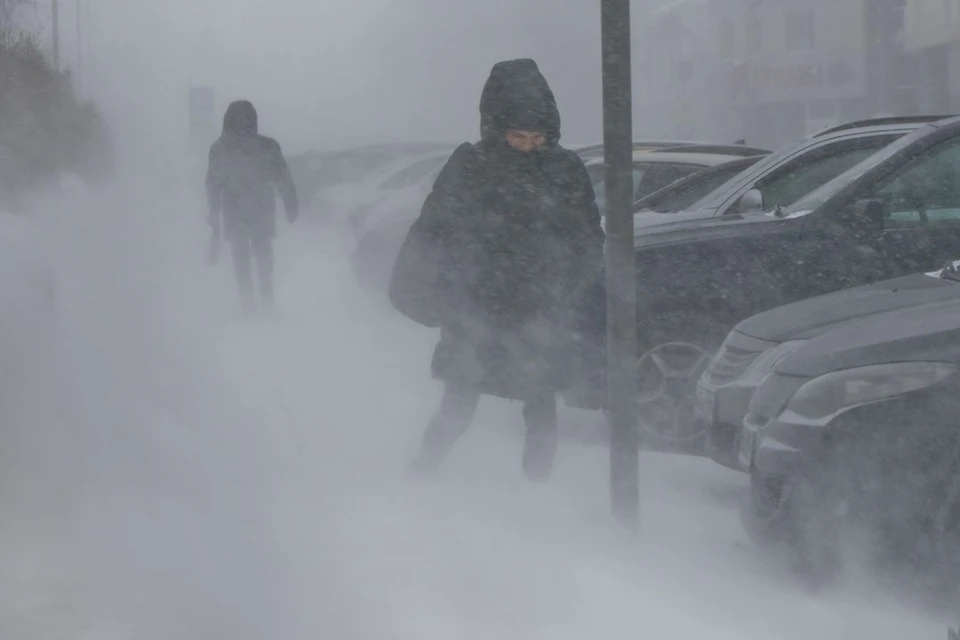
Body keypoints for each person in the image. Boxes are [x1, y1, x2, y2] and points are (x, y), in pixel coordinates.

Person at [389, 59, 605, 481]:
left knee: (540, 405)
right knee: (460, 399)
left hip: (540, 308)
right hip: (477, 305)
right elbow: (432, 228)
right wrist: (430, 287)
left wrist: (567, 287)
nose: (527, 145)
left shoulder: (564, 169)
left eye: (537, 137)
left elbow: (587, 237)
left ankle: (536, 488)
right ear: (496, 129)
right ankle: (422, 472)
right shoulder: (470, 165)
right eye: (518, 136)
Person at [206, 100, 299, 314]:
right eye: (240, 119)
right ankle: (255, 301)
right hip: (251, 209)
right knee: (252, 257)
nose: (243, 123)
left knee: (254, 257)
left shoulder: (224, 149)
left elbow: (283, 178)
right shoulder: (262, 146)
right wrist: (290, 203)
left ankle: (257, 300)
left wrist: (290, 202)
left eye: (246, 118)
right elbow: (283, 178)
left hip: (250, 210)